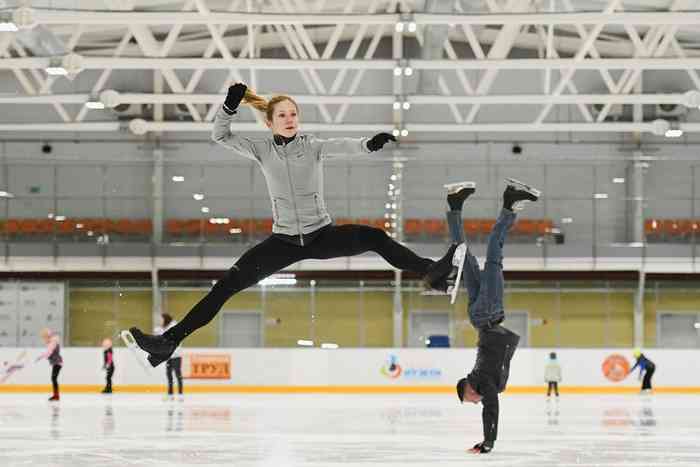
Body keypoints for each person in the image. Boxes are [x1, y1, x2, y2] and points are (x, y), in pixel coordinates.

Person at [125, 82, 453, 366]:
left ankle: (431, 273)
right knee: (225, 286)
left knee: (376, 238)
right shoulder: (261, 149)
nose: (289, 119)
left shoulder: (312, 146)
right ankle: (168, 342)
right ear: (269, 122)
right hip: (282, 242)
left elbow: (342, 146)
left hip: (321, 235)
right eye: (282, 115)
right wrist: (228, 107)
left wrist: (369, 144)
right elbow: (220, 135)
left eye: (293, 114)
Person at [424, 178, 540, 454]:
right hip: (479, 317)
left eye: (469, 399)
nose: (475, 401)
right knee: (465, 258)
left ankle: (509, 203)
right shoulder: (477, 378)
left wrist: (489, 442)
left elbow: (491, 408)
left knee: (494, 256)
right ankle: (455, 204)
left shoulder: (481, 383)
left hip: (488, 313)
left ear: (467, 389)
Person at [155, 313, 183, 398]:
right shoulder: (164, 327)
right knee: (169, 374)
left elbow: (172, 338)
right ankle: (170, 393)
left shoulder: (174, 326)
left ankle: (180, 393)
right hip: (168, 355)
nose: (161, 321)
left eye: (162, 319)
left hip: (176, 355)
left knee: (178, 374)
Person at [36, 328, 62, 401]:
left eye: (45, 336)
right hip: (56, 362)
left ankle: (56, 396)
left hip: (57, 362)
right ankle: (56, 395)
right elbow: (48, 352)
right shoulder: (51, 342)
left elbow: (49, 352)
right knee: (53, 378)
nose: (44, 338)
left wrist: (41, 357)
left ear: (48, 336)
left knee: (53, 378)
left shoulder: (53, 342)